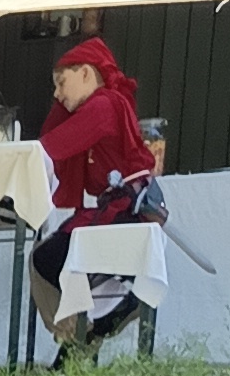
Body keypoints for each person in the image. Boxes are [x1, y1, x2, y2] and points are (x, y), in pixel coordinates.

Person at [33, 30, 163, 351]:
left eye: (61, 83)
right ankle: (90, 329)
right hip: (119, 208)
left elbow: (53, 145)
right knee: (57, 260)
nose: (57, 94)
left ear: (86, 74)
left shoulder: (103, 105)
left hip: (125, 211)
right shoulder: (105, 105)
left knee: (48, 258)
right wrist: (63, 103)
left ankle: (79, 338)